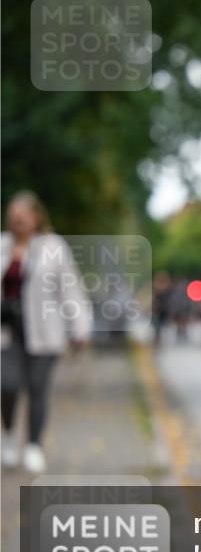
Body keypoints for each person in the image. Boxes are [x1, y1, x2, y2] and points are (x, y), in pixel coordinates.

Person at [1, 191, 92, 473]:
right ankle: (9, 434)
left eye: (23, 213)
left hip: (44, 332)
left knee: (38, 388)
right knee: (8, 385)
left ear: (36, 216)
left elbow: (71, 289)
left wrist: (80, 327)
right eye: (13, 213)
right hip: (7, 333)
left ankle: (33, 445)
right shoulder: (2, 245)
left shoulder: (54, 246)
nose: (18, 218)